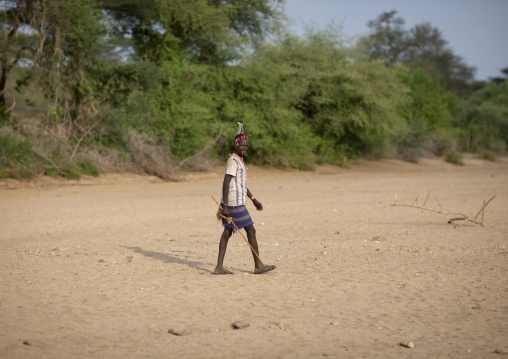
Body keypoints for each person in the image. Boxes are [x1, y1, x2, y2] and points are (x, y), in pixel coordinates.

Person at [214, 123, 276, 275]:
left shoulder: (239, 160)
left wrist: (253, 199)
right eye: (242, 145)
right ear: (236, 144)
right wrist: (226, 207)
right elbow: (226, 182)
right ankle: (258, 266)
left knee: (227, 233)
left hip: (237, 201)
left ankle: (219, 267)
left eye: (246, 145)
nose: (244, 147)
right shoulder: (233, 161)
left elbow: (240, 184)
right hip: (234, 203)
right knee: (251, 230)